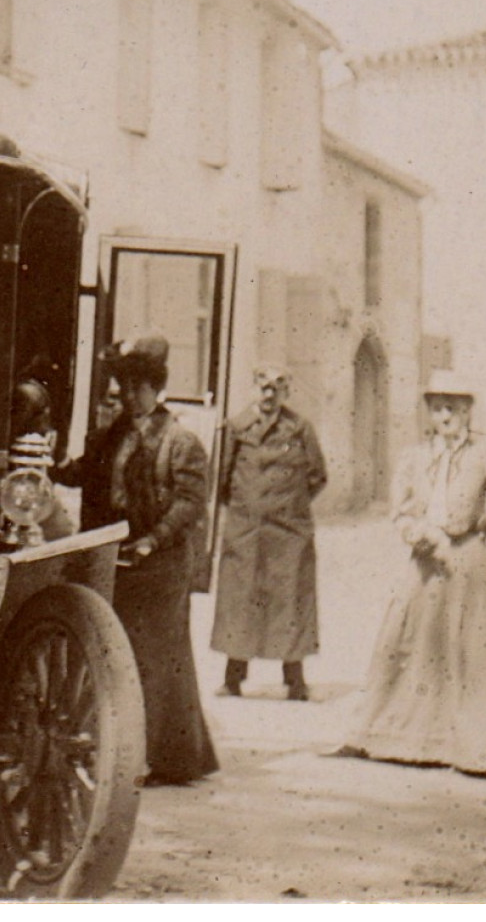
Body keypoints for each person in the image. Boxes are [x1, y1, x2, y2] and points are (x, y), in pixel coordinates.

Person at [339, 370, 486, 776]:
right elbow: (402, 509)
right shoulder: (415, 458)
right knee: (412, 643)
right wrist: (418, 533)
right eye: (437, 407)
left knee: (471, 648)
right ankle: (406, 736)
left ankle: (474, 743)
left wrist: (484, 522)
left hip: (467, 559)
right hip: (425, 561)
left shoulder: (485, 456)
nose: (444, 415)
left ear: (467, 411)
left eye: (453, 407)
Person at [103, 335, 220, 786]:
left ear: (157, 390)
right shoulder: (115, 435)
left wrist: (155, 538)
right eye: (125, 388)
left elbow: (190, 502)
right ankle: (165, 754)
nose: (131, 396)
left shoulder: (180, 440)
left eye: (139, 388)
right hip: (125, 557)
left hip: (162, 563)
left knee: (155, 658)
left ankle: (155, 759)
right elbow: (92, 473)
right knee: (136, 655)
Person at [210, 365, 327, 700]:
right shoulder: (236, 428)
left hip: (288, 533)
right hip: (246, 531)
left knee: (290, 600)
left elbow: (317, 476)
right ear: (253, 388)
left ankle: (295, 680)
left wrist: (288, 506)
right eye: (263, 385)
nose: (269, 393)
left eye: (277, 386)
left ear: (287, 391)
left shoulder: (299, 428)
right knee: (240, 600)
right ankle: (233, 678)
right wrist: (248, 509)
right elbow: (221, 478)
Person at [53, 380, 129, 531]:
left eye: (117, 399)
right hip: (96, 533)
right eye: (108, 399)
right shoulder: (99, 439)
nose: (111, 405)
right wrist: (59, 456)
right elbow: (80, 475)